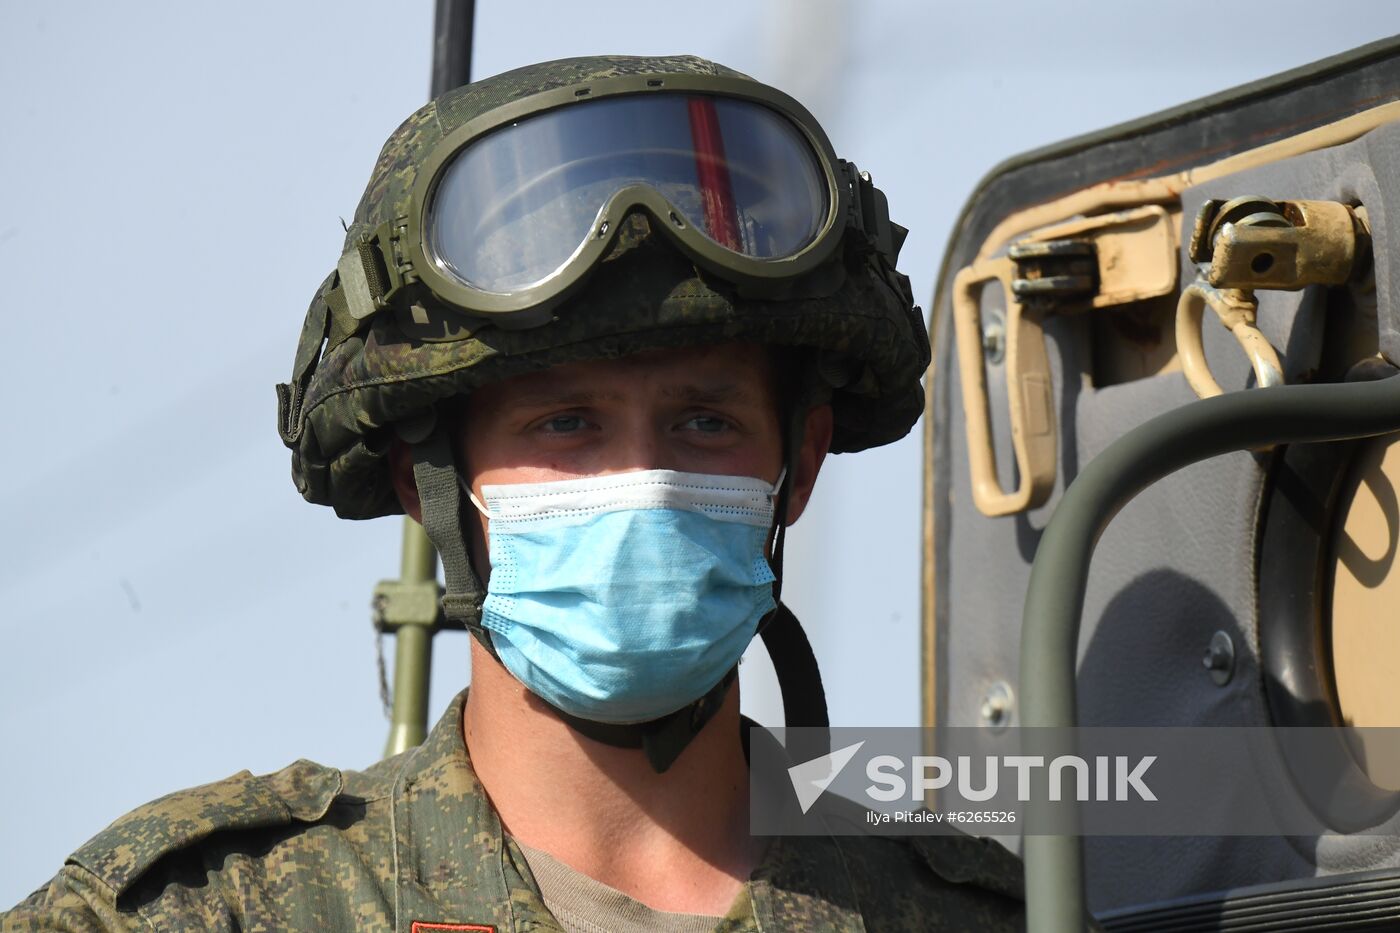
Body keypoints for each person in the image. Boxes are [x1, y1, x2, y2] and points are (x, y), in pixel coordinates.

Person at [3, 54, 1025, 931]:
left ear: (794, 467)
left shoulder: (969, 915)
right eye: (564, 424)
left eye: (704, 423)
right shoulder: (216, 912)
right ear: (428, 483)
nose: (643, 482)